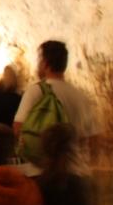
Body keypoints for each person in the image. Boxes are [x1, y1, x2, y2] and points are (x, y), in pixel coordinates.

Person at [13, 41, 99, 171]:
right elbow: (93, 139)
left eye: (39, 60)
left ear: (45, 63)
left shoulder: (36, 91)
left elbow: (18, 128)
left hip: (43, 171)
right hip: (75, 170)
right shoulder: (81, 96)